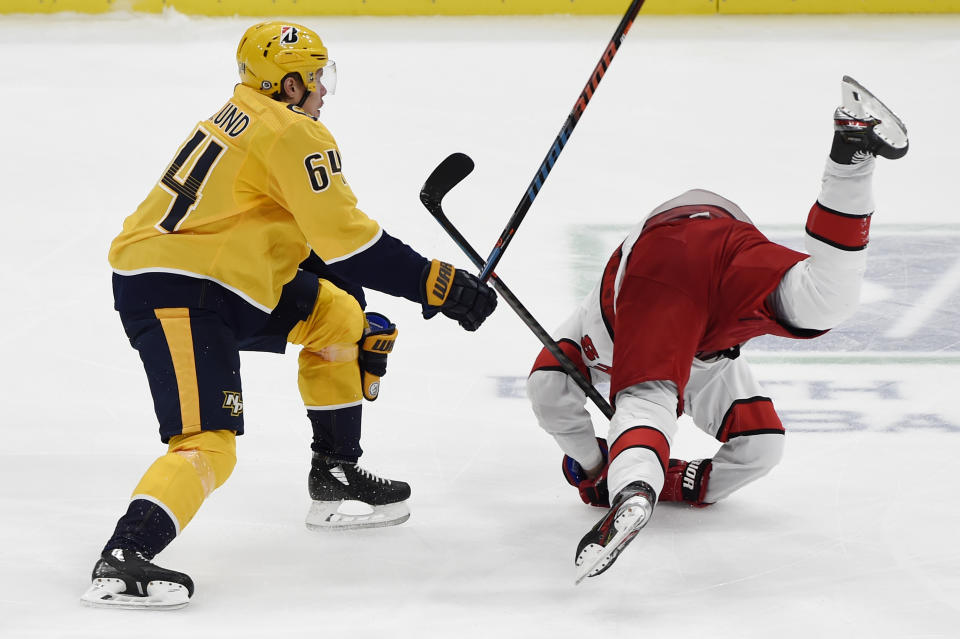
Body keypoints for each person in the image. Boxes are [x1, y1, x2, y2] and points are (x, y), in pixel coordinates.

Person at [80, 21, 496, 609]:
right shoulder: (293, 134)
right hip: (182, 288)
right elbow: (351, 242)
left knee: (339, 315)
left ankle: (335, 476)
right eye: (317, 76)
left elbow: (314, 245)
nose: (324, 88)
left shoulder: (245, 113)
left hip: (215, 275)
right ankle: (124, 557)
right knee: (207, 443)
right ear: (291, 83)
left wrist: (368, 306)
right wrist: (438, 285)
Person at [524, 76, 908, 583]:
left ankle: (633, 490)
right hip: (719, 247)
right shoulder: (619, 352)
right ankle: (851, 150)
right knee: (773, 419)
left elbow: (552, 385)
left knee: (645, 400)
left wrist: (596, 469)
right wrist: (606, 468)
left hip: (669, 256)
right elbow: (552, 387)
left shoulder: (592, 334)